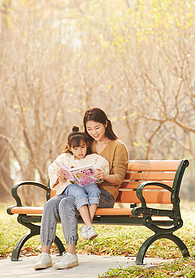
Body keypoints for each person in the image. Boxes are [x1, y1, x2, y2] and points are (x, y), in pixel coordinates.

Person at [34, 109, 129, 270]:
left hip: (102, 195)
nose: (94, 132)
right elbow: (68, 158)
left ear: (106, 124)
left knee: (66, 203)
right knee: (50, 204)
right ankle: (45, 254)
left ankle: (70, 254)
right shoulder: (86, 142)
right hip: (77, 189)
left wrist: (104, 176)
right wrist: (62, 174)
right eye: (89, 128)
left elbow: (119, 177)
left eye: (97, 128)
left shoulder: (118, 147)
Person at [47, 126, 109, 242]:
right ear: (70, 148)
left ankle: (86, 226)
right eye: (75, 148)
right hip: (71, 187)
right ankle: (90, 226)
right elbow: (53, 169)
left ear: (87, 146)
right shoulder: (64, 158)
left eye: (82, 147)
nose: (80, 151)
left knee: (94, 190)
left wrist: (98, 171)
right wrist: (59, 175)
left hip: (87, 184)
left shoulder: (93, 158)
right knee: (78, 191)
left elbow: (103, 165)